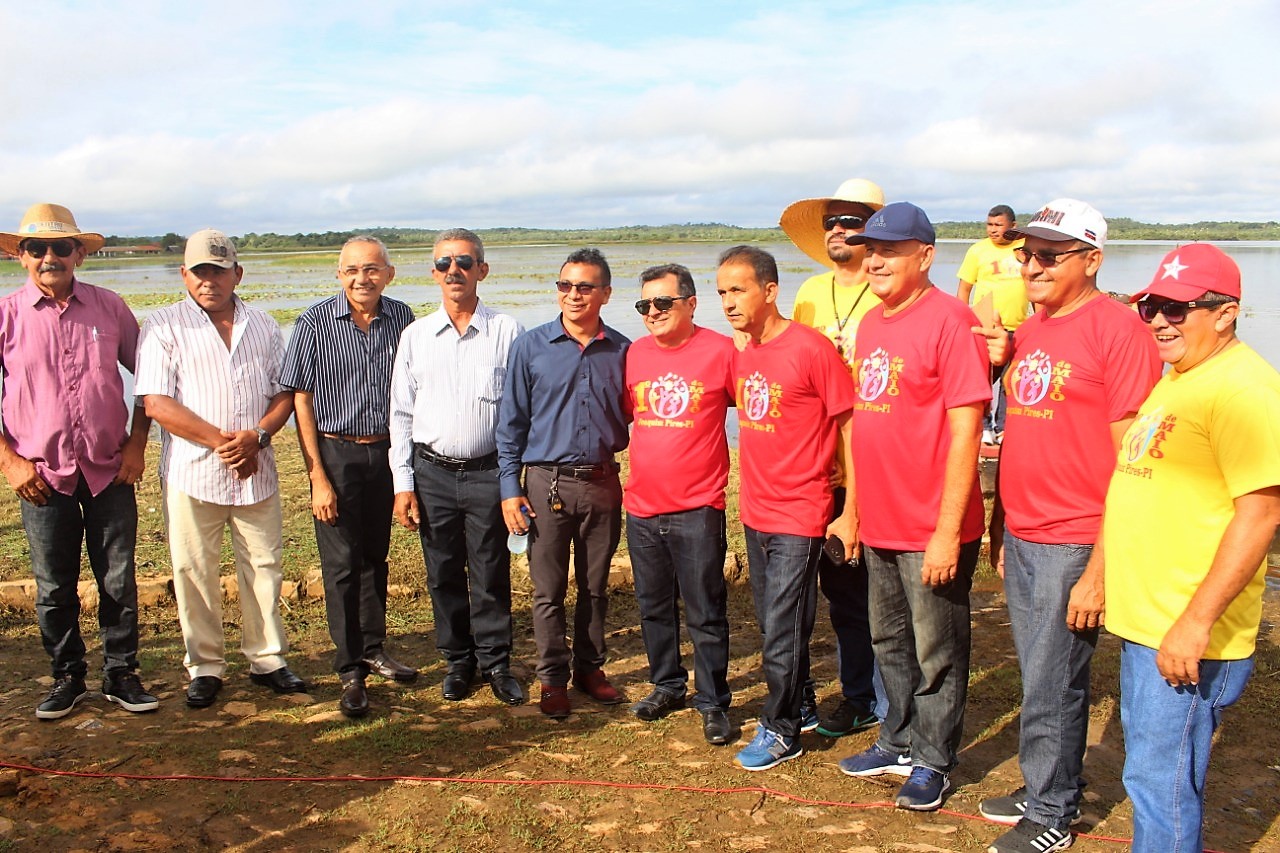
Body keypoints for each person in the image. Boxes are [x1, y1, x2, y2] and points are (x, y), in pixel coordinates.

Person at [974, 199, 1160, 853]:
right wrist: (1001, 523)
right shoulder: (1032, 329)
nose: (1033, 266)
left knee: (1055, 679)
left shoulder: (1120, 332)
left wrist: (1101, 569)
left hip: (1076, 537)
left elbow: (1133, 463)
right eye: (1028, 253)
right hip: (1025, 530)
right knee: (1037, 672)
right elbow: (1021, 433)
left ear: (1092, 259)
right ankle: (1044, 784)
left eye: (1051, 255)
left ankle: (1054, 810)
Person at [1103, 243, 1280, 853]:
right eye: (1150, 306)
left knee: (1161, 784)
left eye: (1176, 309)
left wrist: (1195, 622)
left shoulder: (1245, 390)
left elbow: (1261, 512)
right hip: (1150, 621)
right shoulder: (1181, 376)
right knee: (1151, 774)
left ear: (1226, 313)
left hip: (1184, 631)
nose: (1158, 320)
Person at [836, 203, 990, 811]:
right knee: (889, 640)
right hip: (881, 520)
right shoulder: (873, 322)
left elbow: (966, 431)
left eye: (891, 251)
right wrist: (853, 511)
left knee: (937, 650)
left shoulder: (952, 321)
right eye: (871, 250)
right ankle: (897, 739)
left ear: (925, 256)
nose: (876, 261)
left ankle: (934, 760)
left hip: (931, 525)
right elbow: (867, 425)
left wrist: (947, 532)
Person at [0, 203, 158, 719]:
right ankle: (67, 675)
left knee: (118, 578)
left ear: (79, 255)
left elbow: (151, 381)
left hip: (109, 468)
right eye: (37, 248)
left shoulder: (109, 308)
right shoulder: (7, 316)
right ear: (21, 256)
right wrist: (10, 463)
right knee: (53, 584)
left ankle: (121, 672)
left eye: (61, 247)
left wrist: (137, 445)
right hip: (41, 476)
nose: (50, 257)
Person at [136, 229, 303, 709]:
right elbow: (156, 403)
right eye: (200, 271)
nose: (209, 280)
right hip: (193, 471)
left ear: (237, 274)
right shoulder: (164, 325)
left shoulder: (264, 325)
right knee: (194, 570)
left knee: (264, 566)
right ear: (184, 274)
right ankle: (205, 666)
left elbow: (284, 392)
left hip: (257, 468)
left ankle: (267, 659)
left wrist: (259, 437)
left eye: (219, 270)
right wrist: (226, 444)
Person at [716, 245, 858, 771]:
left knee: (784, 623)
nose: (729, 302)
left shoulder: (811, 349)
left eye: (738, 290)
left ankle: (780, 729)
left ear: (771, 291)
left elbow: (848, 422)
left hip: (801, 510)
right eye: (722, 292)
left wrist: (851, 507)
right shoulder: (745, 352)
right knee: (771, 619)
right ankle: (801, 702)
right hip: (756, 509)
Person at [281, 236, 417, 719]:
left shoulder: (403, 319)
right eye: (353, 270)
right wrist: (317, 476)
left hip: (386, 451)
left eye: (373, 269)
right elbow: (299, 398)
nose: (363, 278)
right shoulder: (313, 323)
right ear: (339, 275)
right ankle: (349, 668)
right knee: (341, 564)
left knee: (375, 556)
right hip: (336, 453)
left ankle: (374, 648)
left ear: (389, 274)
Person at [391, 229, 524, 707]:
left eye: (464, 262)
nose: (454, 270)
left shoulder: (507, 331)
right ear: (434, 273)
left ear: (481, 270)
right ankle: (458, 661)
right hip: (432, 473)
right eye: (445, 263)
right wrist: (403, 483)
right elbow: (401, 414)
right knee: (443, 569)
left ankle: (496, 662)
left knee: (490, 569)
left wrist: (512, 480)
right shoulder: (416, 336)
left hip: (489, 472)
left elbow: (519, 411)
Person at [497, 248, 630, 718]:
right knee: (547, 590)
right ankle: (552, 679)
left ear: (605, 294)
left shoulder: (624, 351)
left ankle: (590, 669)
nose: (573, 295)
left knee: (595, 586)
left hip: (602, 482)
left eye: (585, 287)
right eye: (565, 285)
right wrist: (509, 489)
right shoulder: (530, 347)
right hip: (545, 485)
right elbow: (510, 424)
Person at [780, 177, 886, 738]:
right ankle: (856, 694)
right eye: (832, 222)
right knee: (837, 591)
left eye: (852, 221)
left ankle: (881, 699)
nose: (840, 230)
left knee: (879, 592)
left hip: (878, 461)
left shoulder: (890, 290)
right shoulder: (810, 293)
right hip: (823, 466)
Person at [623, 263, 736, 745]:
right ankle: (666, 684)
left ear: (691, 303)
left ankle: (712, 700)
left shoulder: (722, 351)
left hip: (698, 507)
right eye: (644, 304)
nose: (653, 312)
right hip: (642, 506)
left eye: (663, 302)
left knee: (705, 609)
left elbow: (756, 408)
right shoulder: (634, 354)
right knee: (652, 606)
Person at [956, 204, 1027, 445]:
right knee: (982, 379)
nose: (993, 230)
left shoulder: (1024, 248)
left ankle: (1004, 428)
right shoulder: (978, 251)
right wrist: (962, 323)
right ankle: (984, 426)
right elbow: (964, 289)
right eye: (989, 224)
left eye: (998, 225)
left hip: (1017, 328)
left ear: (1013, 226)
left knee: (1011, 381)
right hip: (985, 327)